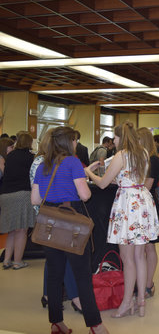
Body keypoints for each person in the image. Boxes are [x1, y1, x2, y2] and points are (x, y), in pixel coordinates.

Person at [31, 126, 109, 334]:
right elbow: (85, 196)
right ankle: (96, 326)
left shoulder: (43, 165)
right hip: (71, 219)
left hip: (50, 221)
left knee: (54, 275)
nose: (76, 144)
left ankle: (57, 323)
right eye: (74, 140)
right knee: (82, 275)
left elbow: (35, 199)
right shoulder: (73, 162)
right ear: (68, 142)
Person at [85, 121, 159, 319]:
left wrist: (87, 172)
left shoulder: (121, 155)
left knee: (127, 258)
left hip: (127, 205)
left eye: (115, 137)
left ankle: (127, 303)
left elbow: (101, 184)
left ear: (121, 137)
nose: (114, 141)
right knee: (139, 256)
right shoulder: (143, 152)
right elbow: (132, 177)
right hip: (142, 201)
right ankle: (141, 302)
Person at [0, 131, 35, 270]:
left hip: (5, 195)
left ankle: (6, 260)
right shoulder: (30, 157)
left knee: (12, 230)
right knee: (22, 230)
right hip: (22, 194)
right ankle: (18, 261)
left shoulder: (10, 156)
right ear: (29, 143)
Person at [136, 127, 159, 299]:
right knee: (139, 249)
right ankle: (141, 282)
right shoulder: (139, 158)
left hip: (148, 207)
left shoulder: (153, 159)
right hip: (138, 208)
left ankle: (148, 284)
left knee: (149, 246)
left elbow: (148, 185)